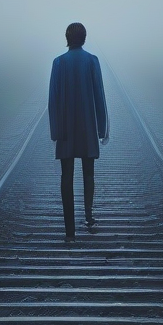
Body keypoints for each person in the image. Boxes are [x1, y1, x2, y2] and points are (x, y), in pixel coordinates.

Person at [48, 22, 109, 240]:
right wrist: (102, 128)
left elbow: (53, 100)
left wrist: (55, 131)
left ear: (67, 37)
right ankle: (89, 216)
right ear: (84, 38)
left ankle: (69, 230)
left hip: (65, 127)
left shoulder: (58, 63)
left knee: (66, 175)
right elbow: (99, 96)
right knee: (88, 173)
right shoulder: (92, 61)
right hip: (87, 127)